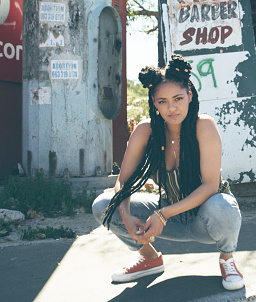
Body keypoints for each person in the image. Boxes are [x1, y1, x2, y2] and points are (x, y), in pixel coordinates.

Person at [92, 55, 244, 290]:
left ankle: (227, 259)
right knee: (103, 204)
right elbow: (122, 181)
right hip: (168, 216)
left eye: (178, 98)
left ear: (190, 96)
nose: (171, 108)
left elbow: (210, 186)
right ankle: (150, 258)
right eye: (163, 101)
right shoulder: (146, 131)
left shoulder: (204, 126)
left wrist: (163, 214)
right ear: (154, 103)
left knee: (223, 205)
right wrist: (125, 216)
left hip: (203, 220)